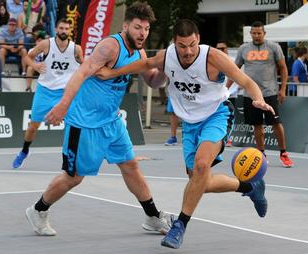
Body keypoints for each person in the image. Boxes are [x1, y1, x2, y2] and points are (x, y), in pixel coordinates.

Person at [97, 19, 275, 249]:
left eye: (192, 44)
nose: (188, 51)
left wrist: (258, 98)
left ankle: (180, 225)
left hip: (216, 114)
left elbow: (246, 81)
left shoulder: (212, 57)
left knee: (201, 166)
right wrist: (112, 72)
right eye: (182, 46)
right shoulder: (167, 56)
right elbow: (146, 64)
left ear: (198, 39)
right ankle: (250, 187)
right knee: (200, 182)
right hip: (189, 124)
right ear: (175, 43)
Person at [25, 2, 173, 236]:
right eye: (137, 27)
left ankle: (152, 216)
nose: (143, 33)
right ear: (126, 26)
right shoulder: (110, 47)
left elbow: (153, 81)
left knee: (131, 165)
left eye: (146, 29)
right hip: (84, 123)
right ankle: (38, 209)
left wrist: (165, 67)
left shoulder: (140, 52)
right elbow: (81, 73)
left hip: (111, 121)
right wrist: (63, 105)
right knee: (74, 177)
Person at [11, 18, 83, 168]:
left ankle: (72, 156)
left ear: (70, 31)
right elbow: (27, 57)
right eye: (61, 28)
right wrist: (35, 66)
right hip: (45, 90)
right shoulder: (46, 44)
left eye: (66, 29)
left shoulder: (76, 49)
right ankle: (24, 151)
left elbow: (83, 68)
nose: (64, 31)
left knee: (75, 125)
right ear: (56, 29)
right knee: (33, 126)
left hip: (65, 92)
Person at [228, 21, 293, 168]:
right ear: (250, 33)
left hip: (269, 93)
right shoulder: (243, 49)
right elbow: (234, 70)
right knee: (257, 125)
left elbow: (283, 68)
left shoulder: (273, 47)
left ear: (264, 33)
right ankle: (261, 154)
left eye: (259, 33)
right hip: (250, 95)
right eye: (254, 33)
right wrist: (225, 90)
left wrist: (283, 89)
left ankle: (283, 153)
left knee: (276, 123)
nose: (256, 35)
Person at [216, 40, 238, 147]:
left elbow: (237, 77)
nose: (220, 51)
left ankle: (228, 138)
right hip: (217, 96)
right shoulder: (213, 61)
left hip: (230, 94)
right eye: (218, 49)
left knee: (229, 117)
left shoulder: (232, 61)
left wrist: (228, 90)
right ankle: (219, 137)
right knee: (217, 117)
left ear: (227, 49)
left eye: (223, 48)